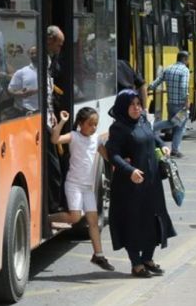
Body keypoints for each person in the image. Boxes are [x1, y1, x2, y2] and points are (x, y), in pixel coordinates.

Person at [106, 90, 176, 278]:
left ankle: (147, 258)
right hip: (130, 185)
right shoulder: (119, 128)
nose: (137, 108)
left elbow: (152, 137)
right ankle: (136, 263)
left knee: (154, 218)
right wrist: (130, 171)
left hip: (151, 182)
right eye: (132, 104)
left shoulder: (143, 120)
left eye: (138, 103)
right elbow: (113, 154)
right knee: (133, 223)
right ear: (123, 107)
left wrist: (162, 144)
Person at [48, 108, 115, 272]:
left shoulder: (96, 140)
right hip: (73, 184)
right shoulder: (74, 137)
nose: (93, 128)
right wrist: (62, 121)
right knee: (75, 217)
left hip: (87, 188)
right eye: (90, 124)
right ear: (80, 124)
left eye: (96, 125)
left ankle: (98, 255)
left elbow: (108, 156)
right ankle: (46, 219)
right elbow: (55, 139)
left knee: (93, 221)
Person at [149, 51, 190, 158]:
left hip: (170, 103)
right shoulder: (184, 70)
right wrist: (186, 101)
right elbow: (184, 87)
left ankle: (175, 150)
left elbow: (157, 81)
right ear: (185, 59)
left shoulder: (169, 68)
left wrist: (149, 87)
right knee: (176, 125)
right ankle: (151, 127)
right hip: (180, 104)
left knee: (176, 124)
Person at [45, 25, 65, 215]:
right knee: (54, 167)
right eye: (58, 45)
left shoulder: (50, 60)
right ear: (49, 40)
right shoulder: (42, 61)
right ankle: (53, 205)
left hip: (49, 119)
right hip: (43, 122)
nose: (60, 49)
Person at [7, 46, 39, 113]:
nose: (34, 55)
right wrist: (18, 93)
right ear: (29, 55)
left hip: (45, 111)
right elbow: (10, 89)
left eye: (36, 53)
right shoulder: (22, 72)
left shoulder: (47, 71)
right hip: (28, 111)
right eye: (32, 53)